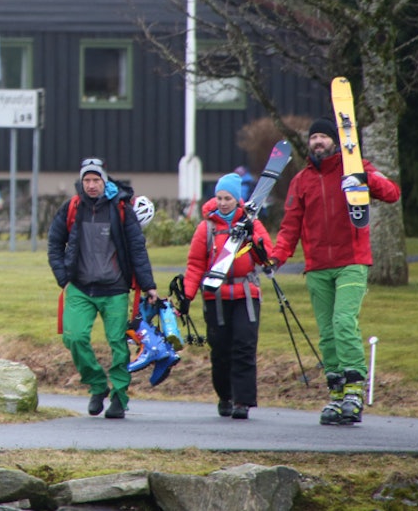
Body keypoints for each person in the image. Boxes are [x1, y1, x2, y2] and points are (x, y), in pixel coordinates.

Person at [269, 116, 401, 426]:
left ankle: (355, 390)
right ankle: (337, 394)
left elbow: (391, 192)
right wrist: (277, 257)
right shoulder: (301, 180)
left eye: (323, 138)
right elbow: (290, 227)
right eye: (313, 138)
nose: (317, 142)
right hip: (317, 267)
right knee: (328, 335)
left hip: (351, 262)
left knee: (343, 322)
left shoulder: (356, 168)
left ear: (335, 141)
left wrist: (364, 181)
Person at [47, 157, 159, 420]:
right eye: (87, 180)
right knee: (73, 338)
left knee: (118, 344)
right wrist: (63, 277)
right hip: (79, 288)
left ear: (104, 180)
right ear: (81, 182)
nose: (91, 185)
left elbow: (137, 248)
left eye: (96, 179)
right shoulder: (72, 207)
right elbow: (54, 243)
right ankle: (98, 385)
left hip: (115, 289)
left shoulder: (121, 208)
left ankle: (119, 396)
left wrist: (149, 285)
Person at [181, 173, 273, 420]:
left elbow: (267, 255)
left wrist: (254, 236)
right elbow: (195, 265)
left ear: (238, 199)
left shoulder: (251, 222)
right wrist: (187, 296)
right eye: (219, 197)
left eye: (228, 198)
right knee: (220, 349)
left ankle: (243, 401)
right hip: (216, 297)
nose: (222, 203)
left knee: (243, 346)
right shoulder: (206, 228)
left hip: (246, 293)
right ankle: (225, 395)